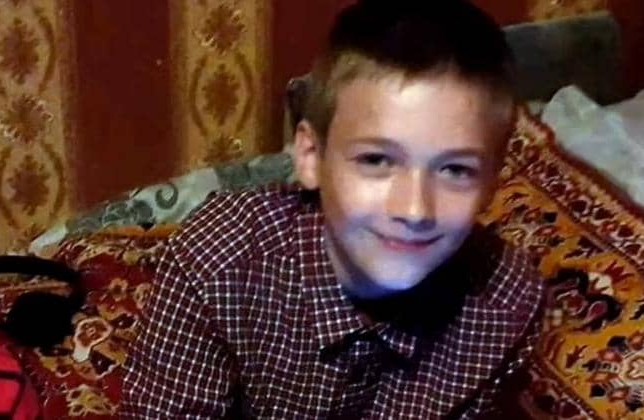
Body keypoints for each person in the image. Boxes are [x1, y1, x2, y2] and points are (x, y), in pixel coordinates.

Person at [121, 0, 544, 418]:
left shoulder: (505, 301)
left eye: (455, 170)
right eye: (376, 160)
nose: (415, 209)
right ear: (310, 157)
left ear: (492, 183)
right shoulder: (220, 260)